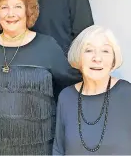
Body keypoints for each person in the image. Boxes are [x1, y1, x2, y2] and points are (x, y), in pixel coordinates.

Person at [0, 0, 81, 155]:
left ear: (27, 11)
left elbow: (71, 83)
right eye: (4, 7)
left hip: (38, 146)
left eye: (17, 7)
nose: (11, 14)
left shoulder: (47, 46)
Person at [53, 25, 131, 155]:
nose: (97, 58)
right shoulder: (66, 97)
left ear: (113, 59)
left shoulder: (127, 94)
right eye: (89, 50)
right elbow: (58, 149)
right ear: (78, 57)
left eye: (105, 51)